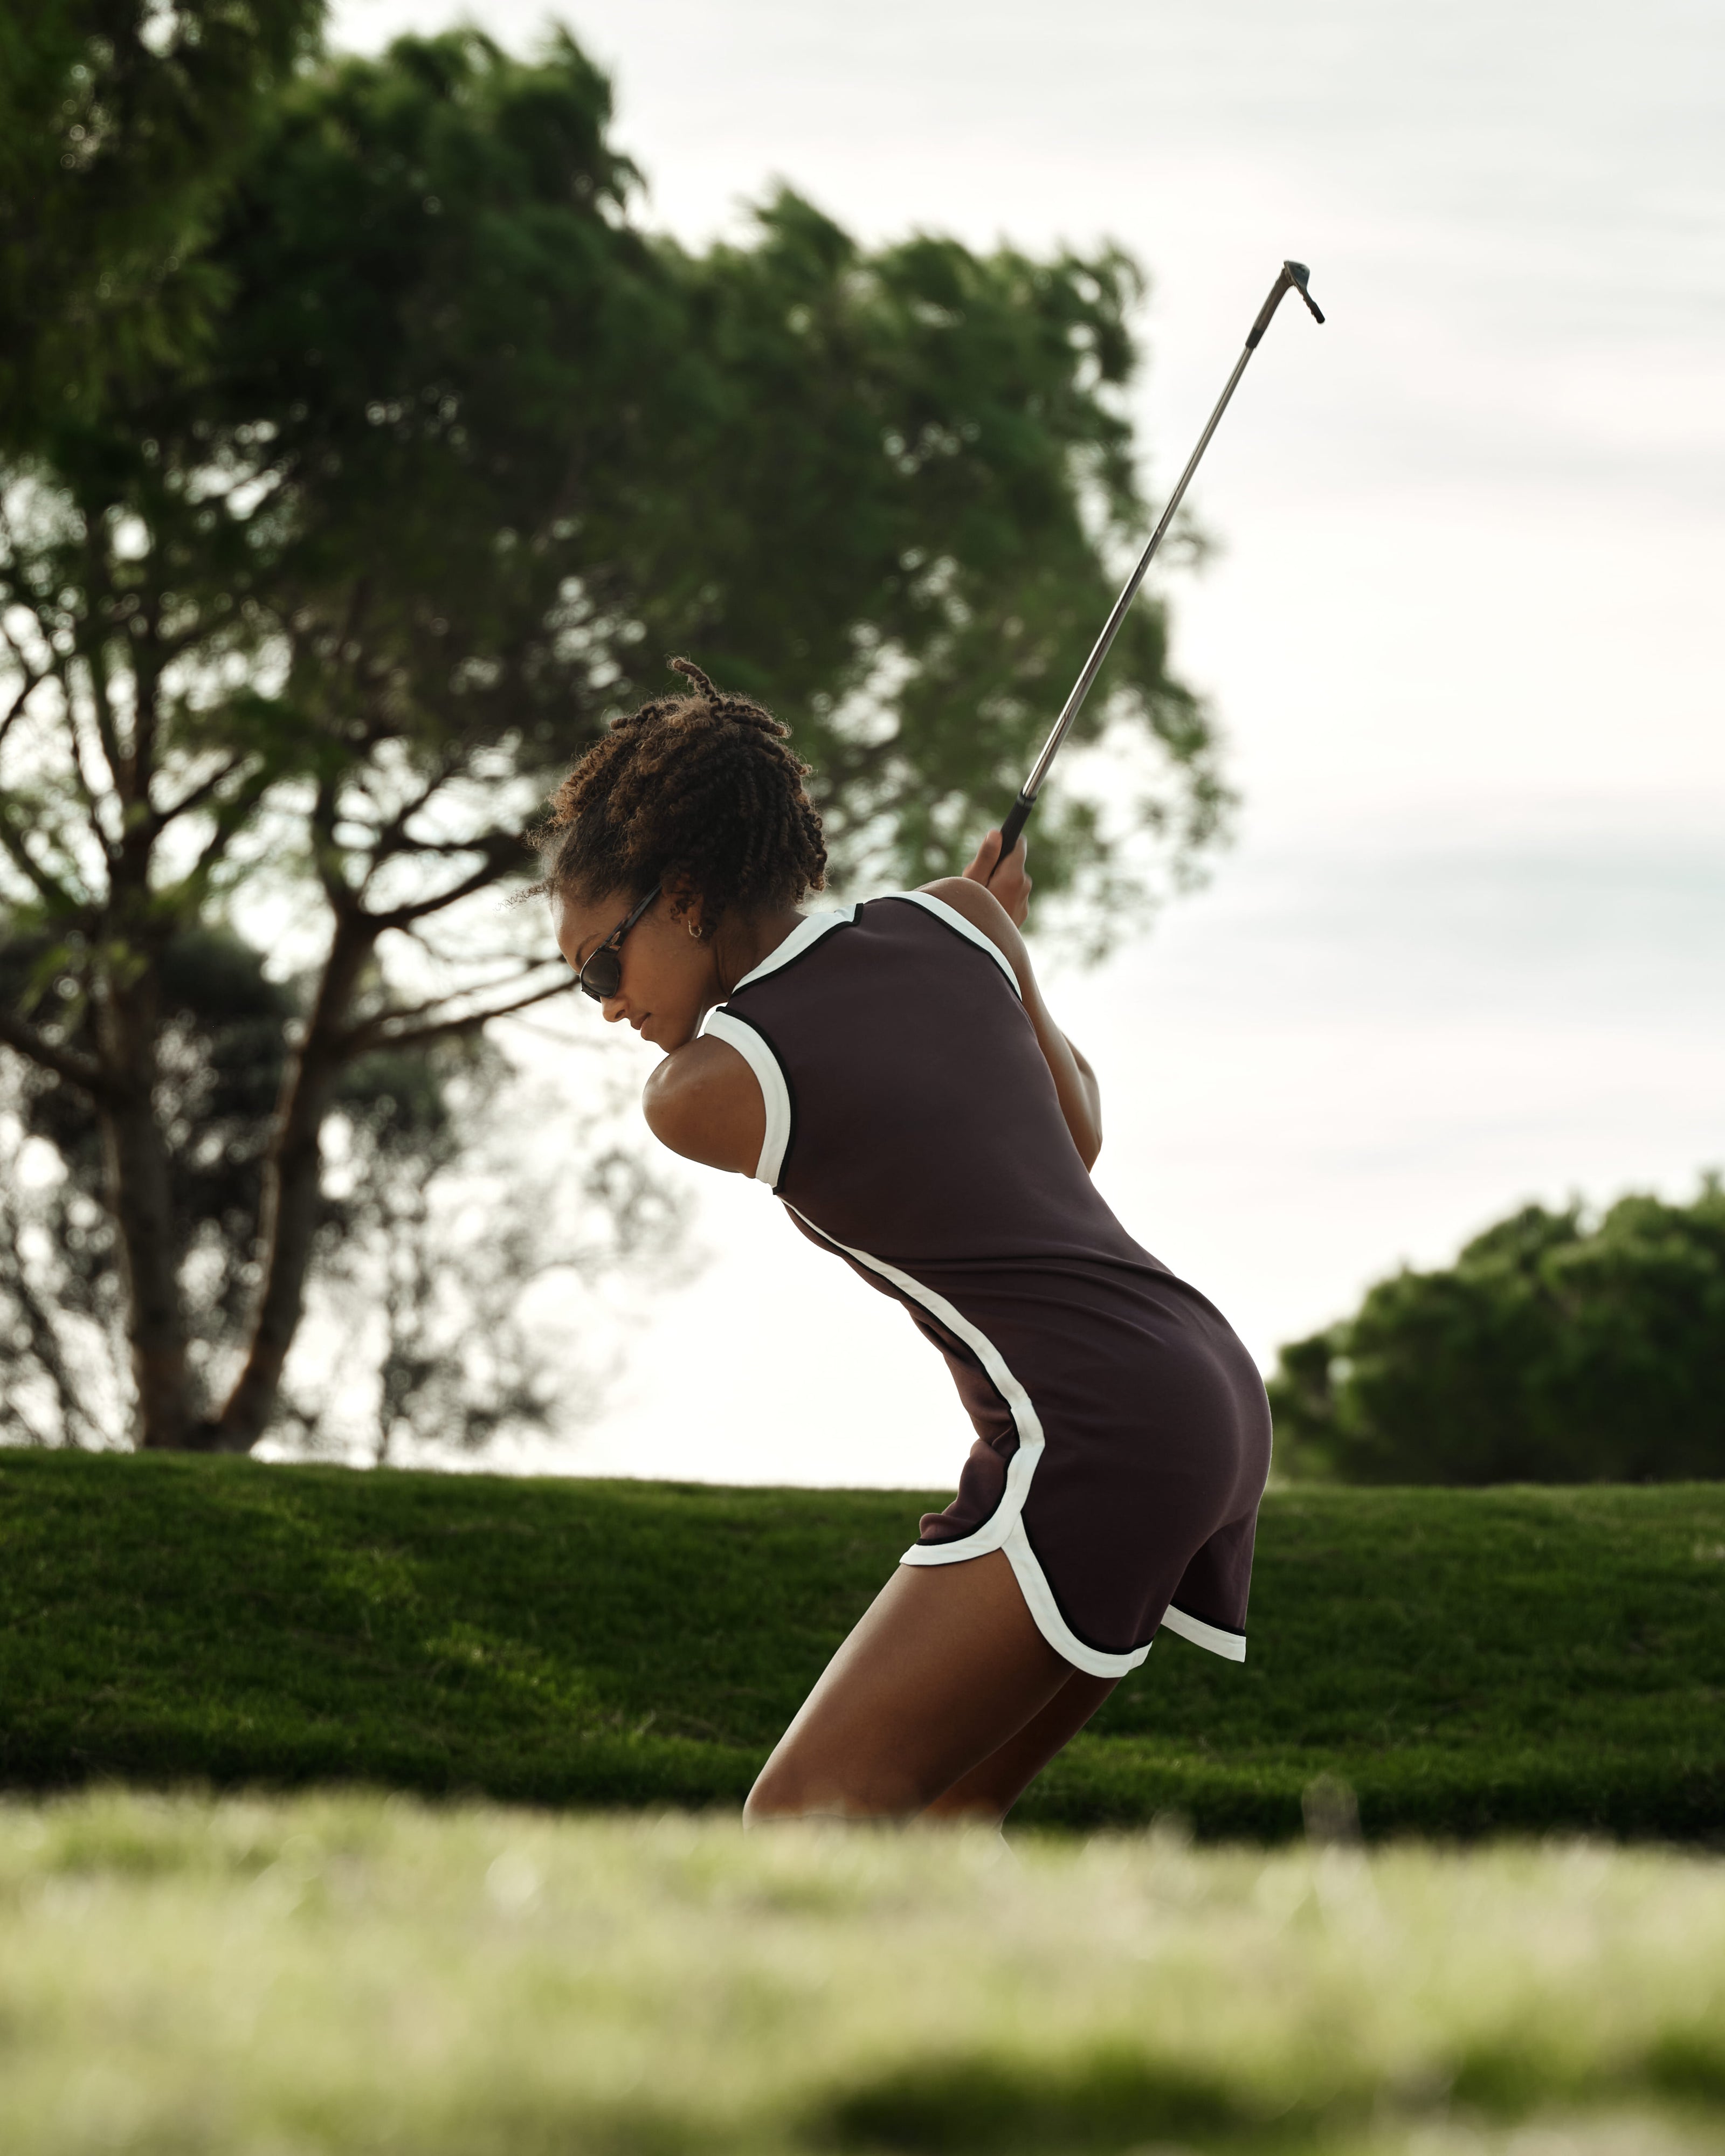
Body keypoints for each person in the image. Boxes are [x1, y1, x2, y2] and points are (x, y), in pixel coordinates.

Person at [535, 659, 1272, 1826]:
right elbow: (1074, 1132)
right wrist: (1000, 949)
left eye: (600, 963)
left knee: (806, 1814)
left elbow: (841, 1053)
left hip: (1093, 1419)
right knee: (939, 1822)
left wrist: (987, 948)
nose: (609, 1002)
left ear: (684, 896)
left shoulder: (703, 1088)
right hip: (1209, 1386)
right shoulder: (957, 920)